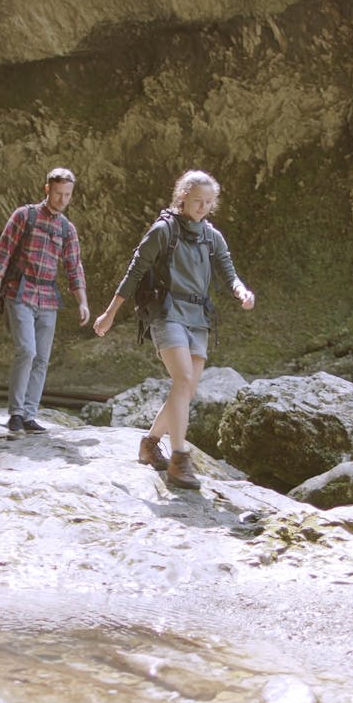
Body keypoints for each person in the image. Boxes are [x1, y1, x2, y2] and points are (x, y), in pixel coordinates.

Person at [93, 169, 255, 489]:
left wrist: (241, 290)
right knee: (182, 379)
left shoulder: (212, 236)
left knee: (187, 389)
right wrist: (110, 313)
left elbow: (228, 271)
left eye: (209, 202)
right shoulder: (163, 231)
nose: (203, 207)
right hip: (167, 312)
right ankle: (179, 460)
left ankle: (150, 444)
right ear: (182, 198)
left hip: (198, 316)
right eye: (197, 201)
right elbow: (135, 270)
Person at [0, 167, 89, 435]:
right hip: (19, 292)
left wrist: (82, 302)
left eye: (67, 195)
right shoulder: (25, 216)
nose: (62, 199)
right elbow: (2, 253)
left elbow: (74, 267)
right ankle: (16, 414)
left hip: (48, 299)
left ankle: (30, 415)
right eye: (58, 193)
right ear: (47, 190)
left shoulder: (67, 229)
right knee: (27, 351)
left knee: (42, 358)